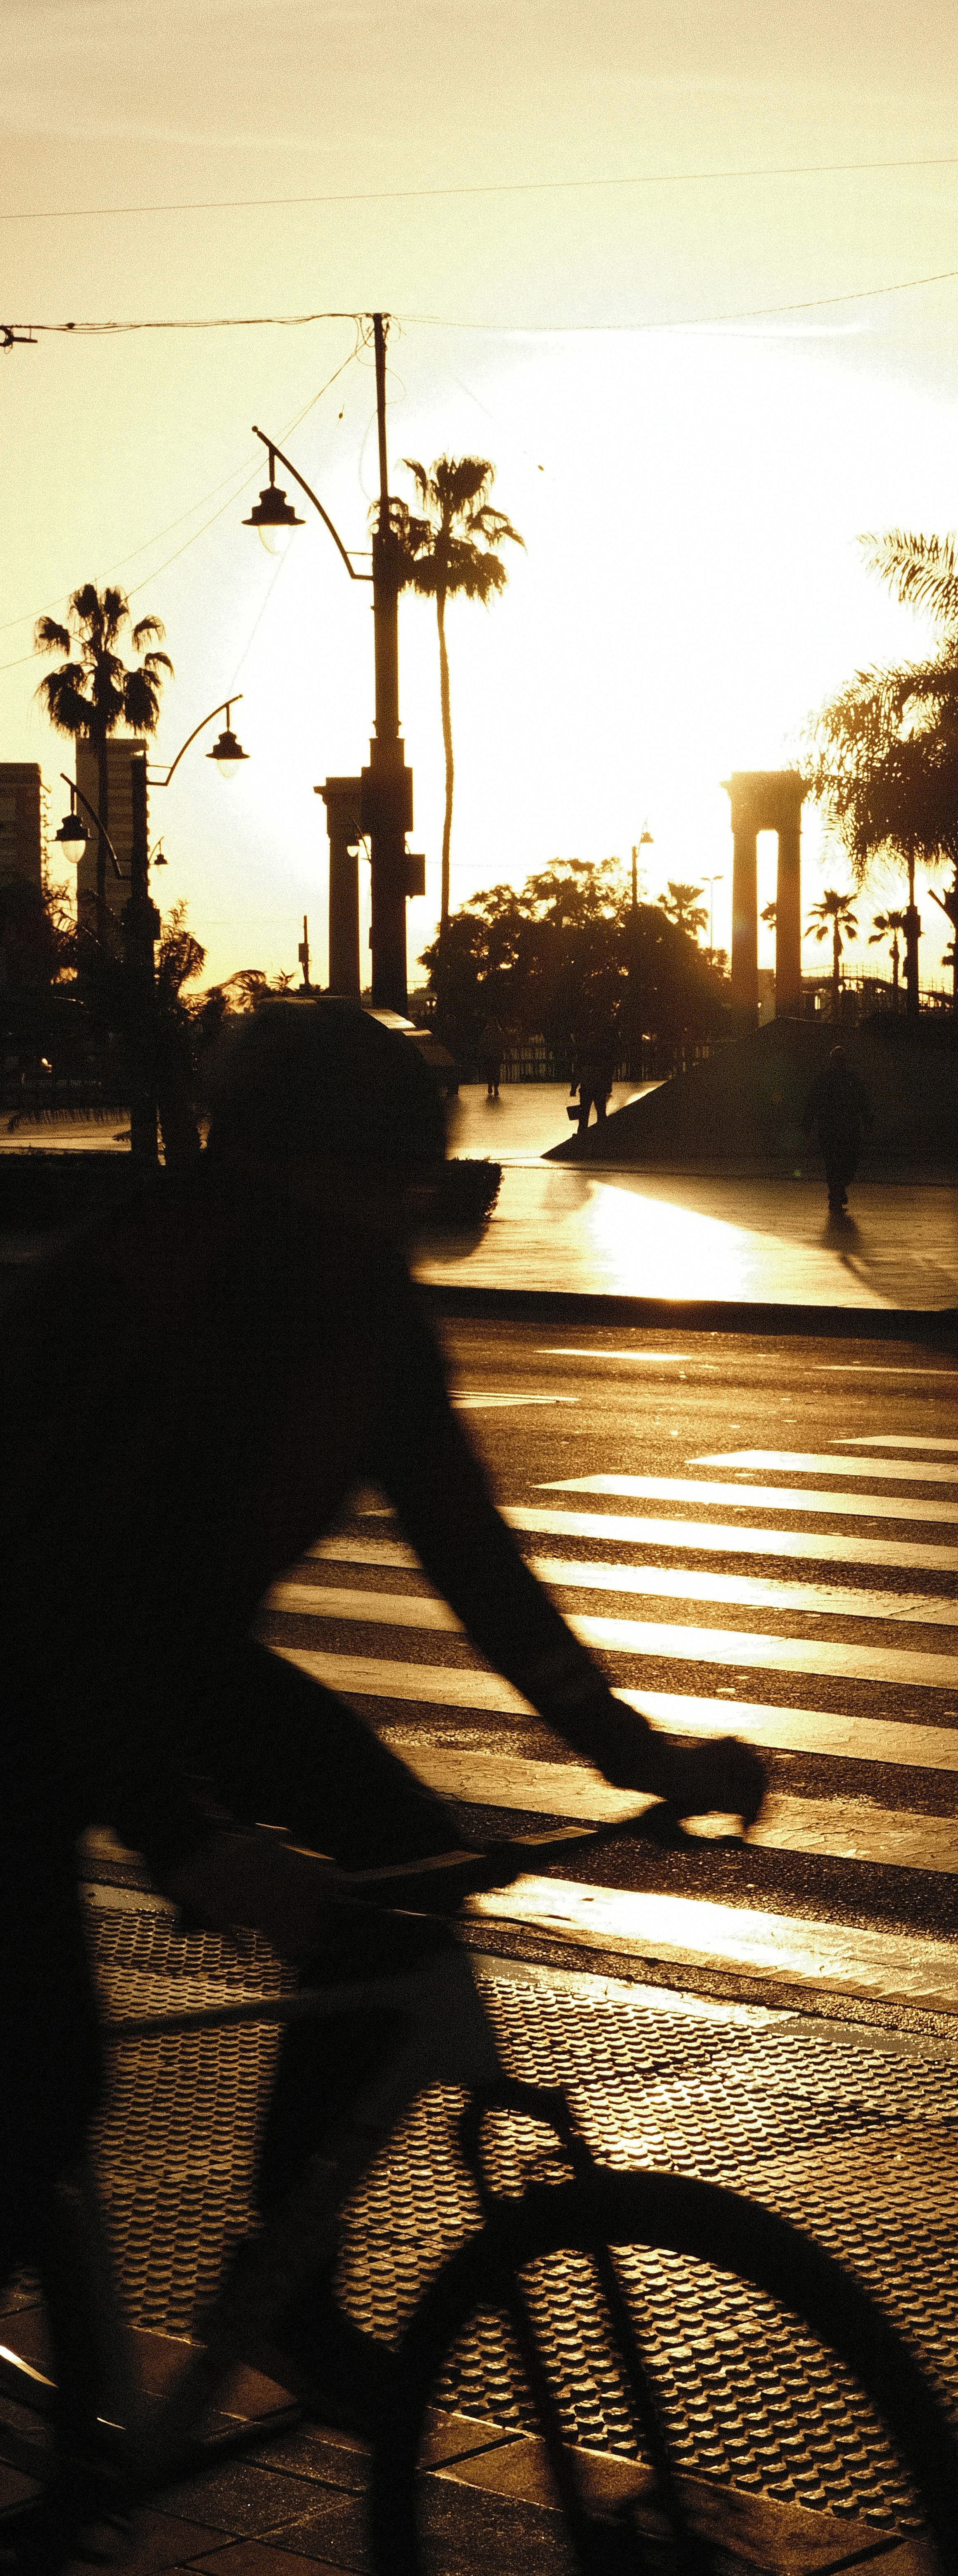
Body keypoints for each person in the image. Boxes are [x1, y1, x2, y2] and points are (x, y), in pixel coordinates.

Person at [0, 998, 764, 2427]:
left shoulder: (367, 1320)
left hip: (167, 1655)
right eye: (377, 1179)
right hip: (19, 1655)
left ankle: (282, 2284)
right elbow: (51, 1590)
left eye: (414, 1185)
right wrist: (188, 1840)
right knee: (46, 2082)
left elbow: (477, 1562)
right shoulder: (142, 1288)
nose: (399, 1217)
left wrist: (634, 1753)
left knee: (403, 1880)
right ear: (283, 1164)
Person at [802, 1043, 872, 1211]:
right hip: (846, 1127)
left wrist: (807, 1125)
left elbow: (812, 1103)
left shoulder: (825, 1080)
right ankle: (837, 1191)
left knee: (834, 1163)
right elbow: (863, 1103)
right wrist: (868, 1123)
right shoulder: (851, 1080)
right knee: (847, 1161)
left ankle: (836, 1191)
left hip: (830, 1127)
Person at [576, 1026, 617, 1133]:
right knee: (600, 1112)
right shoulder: (603, 1055)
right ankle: (602, 1134)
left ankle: (582, 1135)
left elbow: (578, 1071)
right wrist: (608, 1086)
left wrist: (574, 1087)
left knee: (584, 1114)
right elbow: (608, 1071)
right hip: (599, 1088)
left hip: (587, 1087)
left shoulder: (584, 1054)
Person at [475, 1014, 506, 1100]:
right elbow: (503, 1043)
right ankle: (496, 1087)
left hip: (489, 1055)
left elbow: (482, 1043)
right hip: (496, 1054)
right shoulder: (499, 1032)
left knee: (489, 1071)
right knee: (496, 1071)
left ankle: (490, 1085)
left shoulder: (486, 1032)